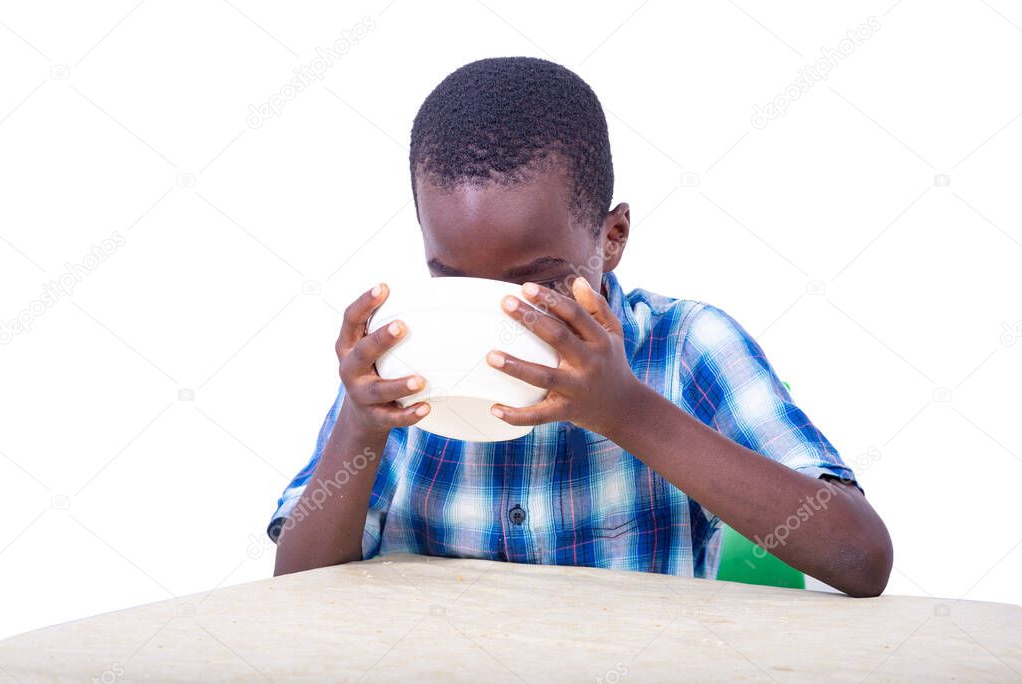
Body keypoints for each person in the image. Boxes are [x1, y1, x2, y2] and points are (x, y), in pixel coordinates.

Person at [268, 56, 893, 597]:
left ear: (612, 237)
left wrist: (626, 412)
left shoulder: (683, 347)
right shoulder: (405, 364)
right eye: (455, 279)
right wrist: (361, 424)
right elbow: (297, 586)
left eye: (538, 278)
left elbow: (860, 558)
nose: (504, 311)